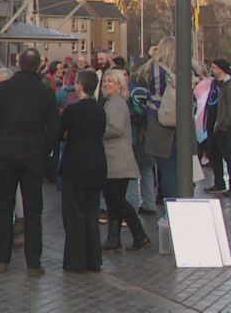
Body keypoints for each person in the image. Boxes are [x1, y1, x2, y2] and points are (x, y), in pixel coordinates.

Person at [0, 48, 60, 277]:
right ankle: (33, 263)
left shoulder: (4, 90)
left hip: (7, 153)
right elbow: (54, 128)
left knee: (5, 206)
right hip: (33, 155)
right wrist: (45, 149)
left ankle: (2, 258)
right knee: (33, 211)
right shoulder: (46, 93)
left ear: (19, 63)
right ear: (39, 66)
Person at [58, 70, 107, 272]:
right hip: (96, 163)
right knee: (91, 213)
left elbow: (59, 133)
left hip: (75, 164)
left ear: (79, 85)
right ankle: (94, 260)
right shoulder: (100, 110)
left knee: (74, 214)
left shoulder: (72, 111)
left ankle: (76, 261)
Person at [101, 70, 151, 251]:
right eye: (105, 81)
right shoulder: (112, 103)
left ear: (119, 85)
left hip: (117, 159)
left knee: (116, 199)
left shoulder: (116, 104)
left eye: (111, 82)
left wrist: (97, 129)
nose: (106, 84)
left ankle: (139, 234)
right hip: (115, 158)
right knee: (113, 199)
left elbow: (115, 128)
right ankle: (114, 238)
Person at [138, 37, 178, 202]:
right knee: (181, 168)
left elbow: (137, 78)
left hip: (159, 121)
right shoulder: (187, 68)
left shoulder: (153, 69)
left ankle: (171, 207)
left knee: (165, 168)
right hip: (182, 123)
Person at [205, 59, 231, 197]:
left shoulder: (230, 85)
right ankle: (219, 183)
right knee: (214, 155)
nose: (212, 69)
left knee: (228, 156)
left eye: (214, 67)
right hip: (211, 124)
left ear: (221, 69)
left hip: (223, 127)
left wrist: (224, 125)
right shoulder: (214, 83)